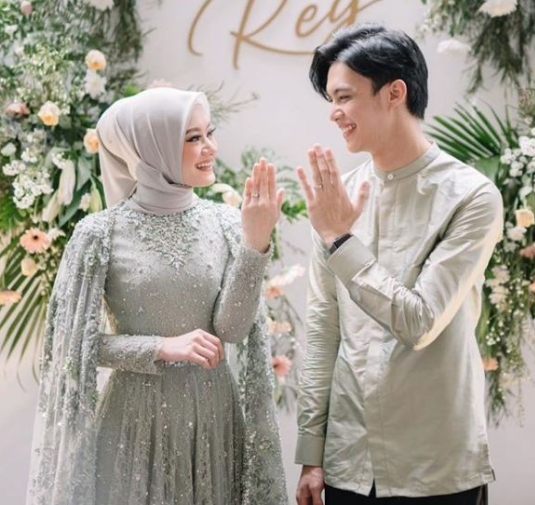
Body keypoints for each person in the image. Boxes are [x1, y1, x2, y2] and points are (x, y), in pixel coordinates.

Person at [26, 87, 288, 505]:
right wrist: (160, 347)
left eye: (210, 133)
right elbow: (70, 346)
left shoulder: (225, 222)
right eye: (193, 138)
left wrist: (255, 244)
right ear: (154, 147)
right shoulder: (100, 233)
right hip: (135, 425)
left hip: (213, 421)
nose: (210, 147)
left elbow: (232, 329)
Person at [295, 23, 502, 505]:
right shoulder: (337, 199)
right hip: (349, 462)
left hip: (436, 465)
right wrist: (311, 453)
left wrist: (340, 240)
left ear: (394, 93)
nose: (333, 112)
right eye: (330, 99)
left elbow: (420, 322)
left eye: (344, 97)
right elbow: (324, 331)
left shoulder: (471, 196)